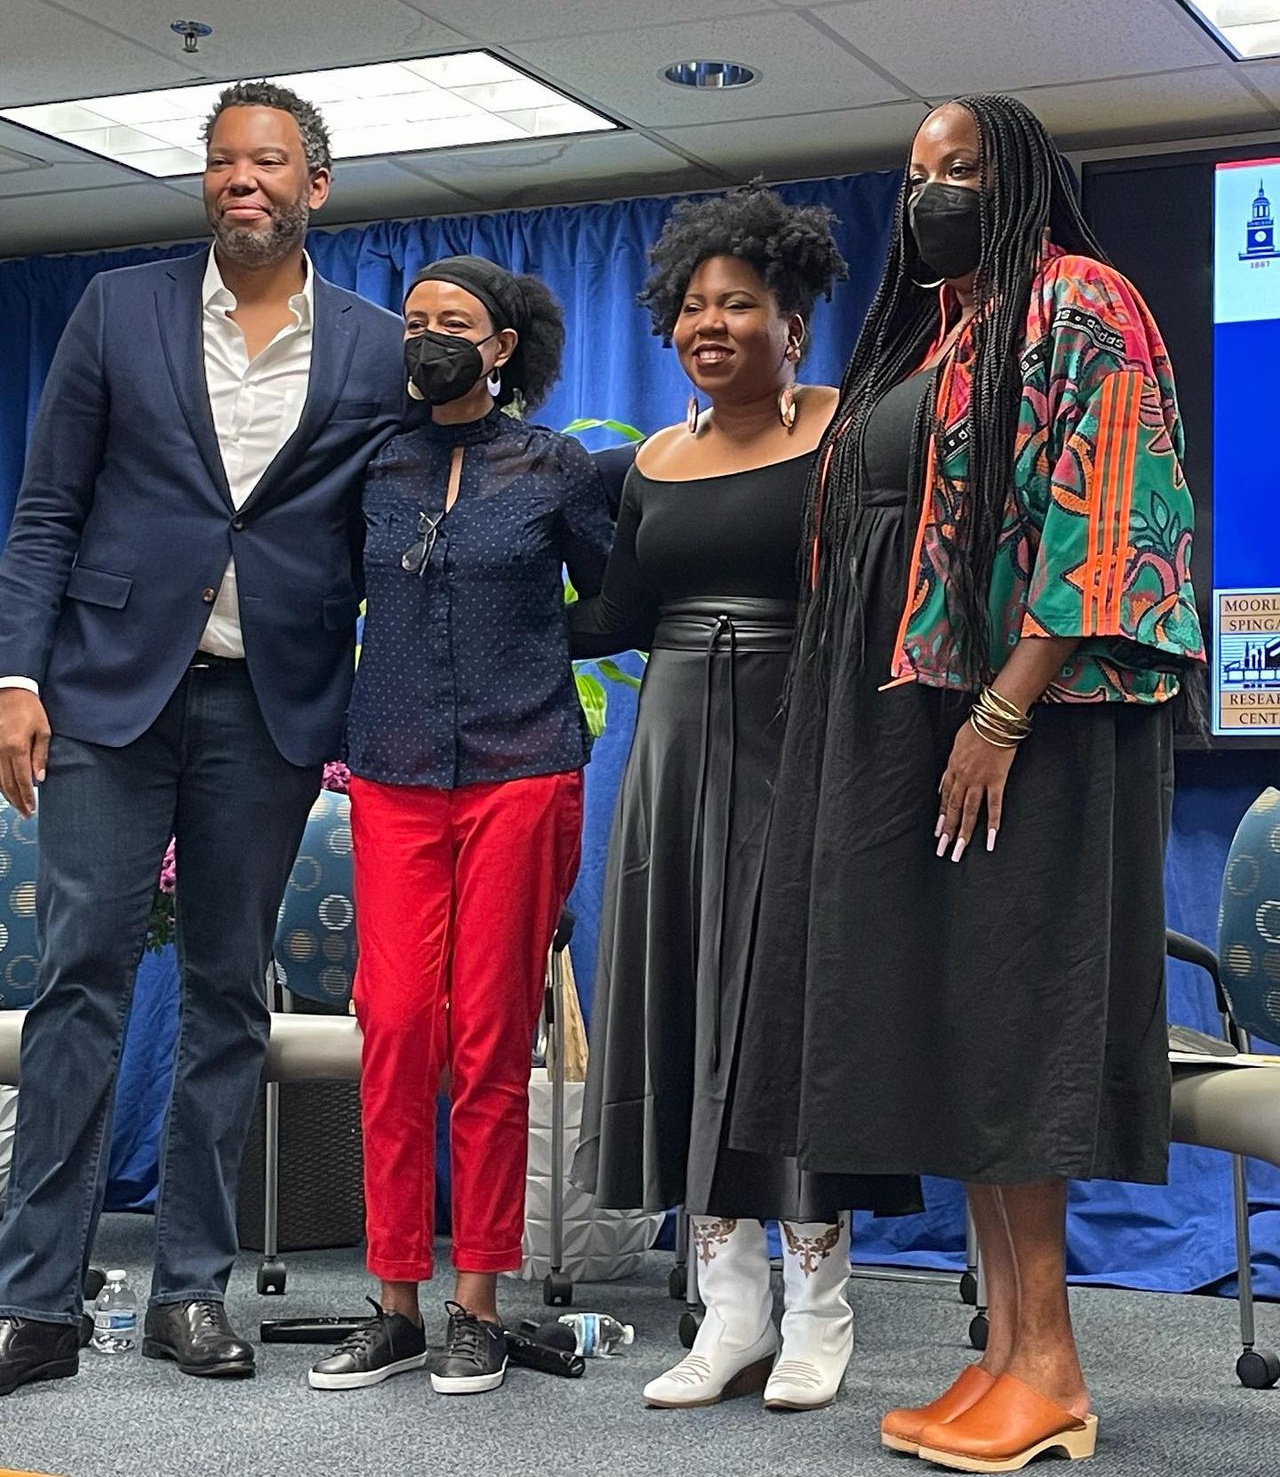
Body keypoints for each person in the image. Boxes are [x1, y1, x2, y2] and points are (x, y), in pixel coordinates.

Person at [730, 96, 1205, 1470]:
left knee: (1013, 1021)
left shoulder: (1086, 303)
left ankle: (1051, 1365)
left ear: (1025, 183)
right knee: (959, 1029)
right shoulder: (946, 328)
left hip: (1036, 727)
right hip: (932, 722)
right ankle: (1003, 1350)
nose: (932, 191)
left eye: (963, 170)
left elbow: (1107, 524)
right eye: (917, 171)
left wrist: (1000, 712)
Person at [0, 81, 411, 1396]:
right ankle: (36, 1302)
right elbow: (49, 505)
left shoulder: (369, 346)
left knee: (231, 995)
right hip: (108, 696)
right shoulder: (117, 310)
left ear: (316, 186)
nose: (243, 177)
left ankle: (190, 1290)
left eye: (269, 160)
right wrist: (16, 676)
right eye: (223, 159)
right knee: (80, 983)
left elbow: (388, 529)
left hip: (267, 707)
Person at [570, 182, 918, 1414]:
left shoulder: (850, 430)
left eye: (740, 302)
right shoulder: (649, 462)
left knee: (785, 1017)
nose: (710, 322)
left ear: (794, 318)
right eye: (692, 306)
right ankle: (728, 1312)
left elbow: (887, 595)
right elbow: (611, 616)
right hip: (668, 750)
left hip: (801, 737)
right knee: (678, 1013)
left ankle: (820, 1309)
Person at [308, 256, 612, 1398]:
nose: (428, 337)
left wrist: (533, 659)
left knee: (488, 1035)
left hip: (520, 771)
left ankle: (476, 1302)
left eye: (455, 324)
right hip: (389, 772)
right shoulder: (370, 463)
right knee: (392, 1024)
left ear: (500, 346)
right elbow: (324, 594)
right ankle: (393, 1298)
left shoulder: (555, 467)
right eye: (414, 322)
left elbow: (614, 595)